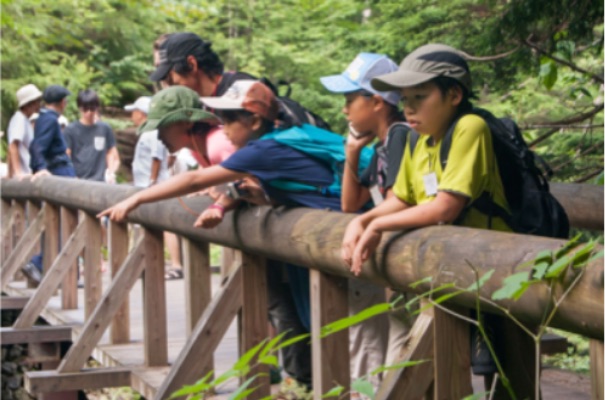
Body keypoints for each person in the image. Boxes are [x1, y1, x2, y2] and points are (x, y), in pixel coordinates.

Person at [99, 82, 345, 387]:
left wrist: (137, 198)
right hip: (323, 228)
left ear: (254, 122)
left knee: (342, 328)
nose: (223, 126)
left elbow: (199, 178)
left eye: (229, 120)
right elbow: (242, 185)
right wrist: (222, 205)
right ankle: (309, 382)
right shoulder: (258, 144)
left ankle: (311, 382)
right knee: (319, 319)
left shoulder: (249, 147)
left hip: (336, 229)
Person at [340, 43, 514, 389]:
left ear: (454, 94)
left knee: (509, 378)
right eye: (405, 99)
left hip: (497, 271)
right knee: (447, 373)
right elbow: (403, 199)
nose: (409, 108)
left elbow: (445, 206)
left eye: (420, 96)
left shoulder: (470, 128)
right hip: (452, 272)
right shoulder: (422, 140)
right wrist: (361, 221)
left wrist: (376, 223)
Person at [321, 52, 410, 390]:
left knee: (401, 358)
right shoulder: (385, 144)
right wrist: (353, 154)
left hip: (410, 260)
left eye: (349, 99)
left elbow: (398, 202)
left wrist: (365, 224)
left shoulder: (401, 136)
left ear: (376, 102)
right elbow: (351, 203)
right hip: (394, 263)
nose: (344, 109)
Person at [126, 95, 184, 279]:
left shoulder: (152, 131)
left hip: (154, 185)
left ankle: (176, 264)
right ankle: (148, 262)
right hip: (149, 184)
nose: (132, 116)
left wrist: (152, 181)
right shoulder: (147, 131)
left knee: (166, 225)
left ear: (142, 113)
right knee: (150, 225)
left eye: (134, 112)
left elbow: (156, 157)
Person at [25, 85, 77, 284]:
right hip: (60, 172)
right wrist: (40, 168)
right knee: (67, 224)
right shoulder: (49, 119)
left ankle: (61, 271)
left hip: (60, 171)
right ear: (63, 102)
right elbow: (37, 146)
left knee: (64, 224)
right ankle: (39, 263)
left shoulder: (44, 118)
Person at [63, 89, 120, 183]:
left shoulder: (105, 128)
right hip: (79, 180)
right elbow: (66, 156)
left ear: (97, 108)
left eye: (92, 109)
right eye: (85, 109)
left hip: (101, 181)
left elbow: (112, 153)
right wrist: (72, 175)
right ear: (79, 108)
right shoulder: (70, 130)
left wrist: (111, 172)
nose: (89, 112)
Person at [7, 84, 42, 179]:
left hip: (25, 172)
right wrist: (18, 173)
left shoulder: (25, 120)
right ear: (29, 104)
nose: (40, 104)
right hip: (23, 173)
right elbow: (13, 145)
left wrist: (10, 174)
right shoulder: (20, 119)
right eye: (37, 101)